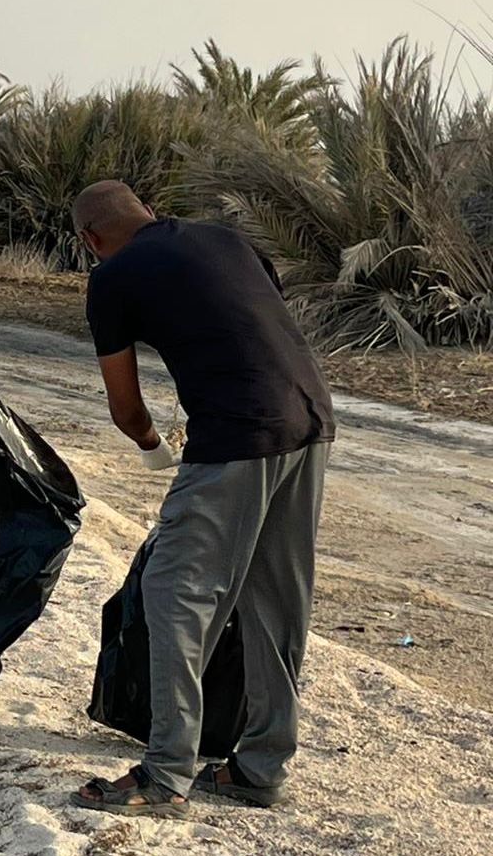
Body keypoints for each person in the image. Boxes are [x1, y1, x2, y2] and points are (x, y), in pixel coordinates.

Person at [70, 181, 335, 817]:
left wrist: (154, 445)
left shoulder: (112, 278)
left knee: (174, 591)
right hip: (312, 420)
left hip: (237, 434)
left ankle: (165, 776)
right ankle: (261, 768)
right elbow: (254, 328)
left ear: (90, 240)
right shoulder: (226, 239)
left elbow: (126, 409)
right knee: (276, 600)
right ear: (147, 211)